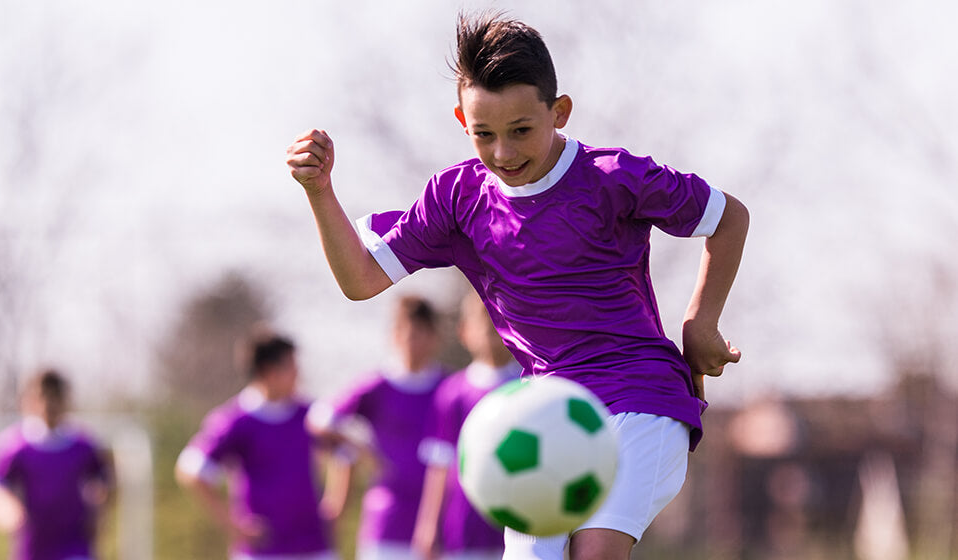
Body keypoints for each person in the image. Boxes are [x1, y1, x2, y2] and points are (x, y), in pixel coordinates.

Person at [284, 11, 749, 560]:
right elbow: (360, 279)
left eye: (521, 130)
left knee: (596, 551)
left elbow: (728, 216)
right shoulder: (456, 199)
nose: (503, 153)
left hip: (640, 397)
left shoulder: (613, 178)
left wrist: (700, 322)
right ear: (462, 119)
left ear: (560, 112)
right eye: (484, 134)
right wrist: (319, 191)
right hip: (543, 415)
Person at [175, 328, 338, 560]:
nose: (298, 374)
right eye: (291, 367)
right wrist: (232, 524)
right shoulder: (235, 421)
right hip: (262, 552)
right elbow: (191, 470)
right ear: (269, 372)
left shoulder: (310, 414)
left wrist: (336, 504)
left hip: (314, 548)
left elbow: (345, 452)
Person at [307, 295, 448, 560]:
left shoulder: (449, 387)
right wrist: (359, 448)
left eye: (420, 334)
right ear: (394, 335)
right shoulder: (376, 386)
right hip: (387, 521)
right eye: (407, 333)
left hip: (443, 525)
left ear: (434, 337)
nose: (413, 342)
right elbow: (319, 420)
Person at [413, 291, 521, 560]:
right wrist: (428, 526)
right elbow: (440, 465)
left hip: (519, 524)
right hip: (464, 529)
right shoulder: (453, 392)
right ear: (464, 332)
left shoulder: (527, 386)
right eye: (483, 320)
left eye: (499, 320)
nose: (491, 328)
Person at [0, 368, 113, 560]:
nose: (48, 404)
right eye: (42, 397)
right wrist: (1, 504)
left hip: (75, 544)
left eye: (55, 397)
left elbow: (104, 477)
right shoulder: (16, 444)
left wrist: (101, 502)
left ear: (66, 401)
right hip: (33, 547)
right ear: (28, 401)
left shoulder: (84, 444)